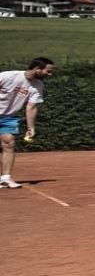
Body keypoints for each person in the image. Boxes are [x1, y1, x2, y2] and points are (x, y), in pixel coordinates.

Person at [0, 57, 54, 189]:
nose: (50, 74)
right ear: (37, 69)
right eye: (48, 71)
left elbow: (31, 107)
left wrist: (31, 127)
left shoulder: (38, 85)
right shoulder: (8, 76)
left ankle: (5, 179)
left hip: (8, 117)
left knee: (9, 142)